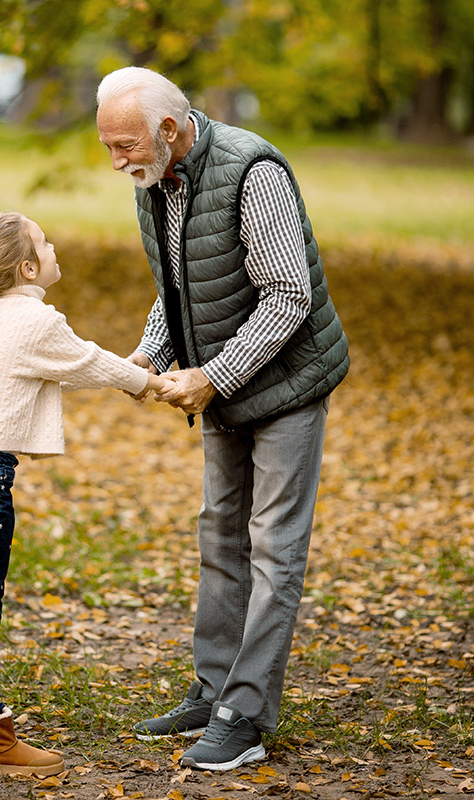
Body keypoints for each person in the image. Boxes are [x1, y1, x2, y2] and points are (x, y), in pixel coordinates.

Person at [95, 67, 350, 771]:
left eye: (125, 146)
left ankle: (245, 716)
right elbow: (177, 287)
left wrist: (213, 376)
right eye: (108, 148)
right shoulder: (157, 181)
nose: (117, 162)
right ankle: (213, 690)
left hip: (289, 383)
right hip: (225, 387)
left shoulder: (251, 172)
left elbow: (288, 296)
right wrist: (150, 352)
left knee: (273, 550)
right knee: (218, 535)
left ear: (170, 131)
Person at [0, 211, 174, 776]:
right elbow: (86, 362)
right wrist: (152, 382)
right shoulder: (34, 321)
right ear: (28, 267)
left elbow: (74, 365)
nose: (55, 245)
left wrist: (132, 372)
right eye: (45, 242)